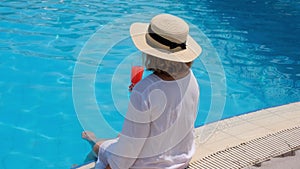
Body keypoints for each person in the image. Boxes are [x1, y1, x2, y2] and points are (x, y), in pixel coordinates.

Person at [82, 13, 202, 169]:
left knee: (100, 147)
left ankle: (90, 147)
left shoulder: (144, 90)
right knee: (122, 137)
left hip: (148, 165)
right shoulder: (190, 77)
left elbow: (127, 154)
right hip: (180, 160)